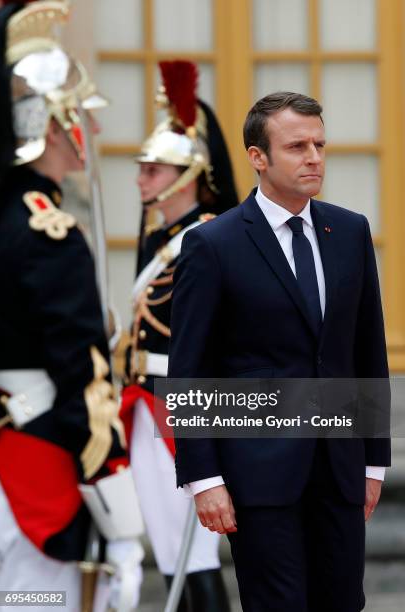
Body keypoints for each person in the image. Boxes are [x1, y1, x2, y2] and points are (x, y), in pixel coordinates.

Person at [168, 91, 391, 612]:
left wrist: (374, 462)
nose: (314, 157)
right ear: (258, 157)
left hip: (339, 468)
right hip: (257, 474)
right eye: (297, 146)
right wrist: (205, 480)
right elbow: (190, 370)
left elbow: (367, 351)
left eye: (319, 144)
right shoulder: (213, 244)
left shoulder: (350, 230)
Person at [0, 2, 143, 610]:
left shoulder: (7, 222)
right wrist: (123, 525)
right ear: (52, 122)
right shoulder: (48, 232)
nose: (95, 128)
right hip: (39, 475)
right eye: (82, 112)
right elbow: (86, 384)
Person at [120, 60, 238, 611]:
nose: (141, 178)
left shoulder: (209, 238)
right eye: (142, 167)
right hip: (144, 400)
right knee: (169, 548)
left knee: (193, 552)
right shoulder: (157, 240)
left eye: (153, 169)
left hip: (181, 405)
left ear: (188, 174)